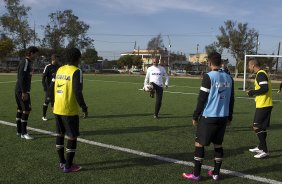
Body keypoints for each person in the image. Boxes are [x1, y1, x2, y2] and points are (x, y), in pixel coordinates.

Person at [182, 52, 234, 181]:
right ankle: (216, 173)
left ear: (209, 63)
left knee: (199, 144)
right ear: (220, 62)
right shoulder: (229, 77)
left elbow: (202, 99)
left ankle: (196, 174)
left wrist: (195, 115)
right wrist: (230, 117)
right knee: (218, 145)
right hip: (223, 117)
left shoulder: (208, 76)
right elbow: (232, 99)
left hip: (209, 116)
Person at [50, 48, 88, 173]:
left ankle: (62, 162)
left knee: (60, 135)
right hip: (69, 109)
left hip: (57, 107)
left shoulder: (59, 69)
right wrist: (84, 107)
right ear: (78, 58)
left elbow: (52, 88)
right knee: (72, 137)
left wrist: (52, 103)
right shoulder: (77, 71)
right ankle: (68, 166)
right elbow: (78, 91)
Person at [247, 58, 272, 159]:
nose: (248, 67)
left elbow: (264, 89)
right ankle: (261, 147)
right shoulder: (261, 73)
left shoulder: (261, 74)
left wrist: (251, 92)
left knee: (256, 126)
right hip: (264, 104)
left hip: (264, 105)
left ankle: (265, 150)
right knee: (261, 127)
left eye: (249, 65)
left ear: (253, 65)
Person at [15, 46, 39, 140]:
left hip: (19, 89)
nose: (37, 55)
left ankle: (19, 130)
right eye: (36, 53)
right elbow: (21, 77)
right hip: (22, 91)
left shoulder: (28, 62)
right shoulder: (25, 62)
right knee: (27, 110)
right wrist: (24, 92)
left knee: (20, 109)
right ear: (31, 53)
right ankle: (24, 133)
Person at [41, 54, 60, 121]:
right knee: (47, 101)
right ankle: (44, 116)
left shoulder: (59, 66)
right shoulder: (48, 67)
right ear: (53, 59)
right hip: (49, 88)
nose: (58, 60)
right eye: (57, 59)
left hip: (57, 88)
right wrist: (45, 87)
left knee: (55, 102)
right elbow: (43, 78)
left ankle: (56, 114)